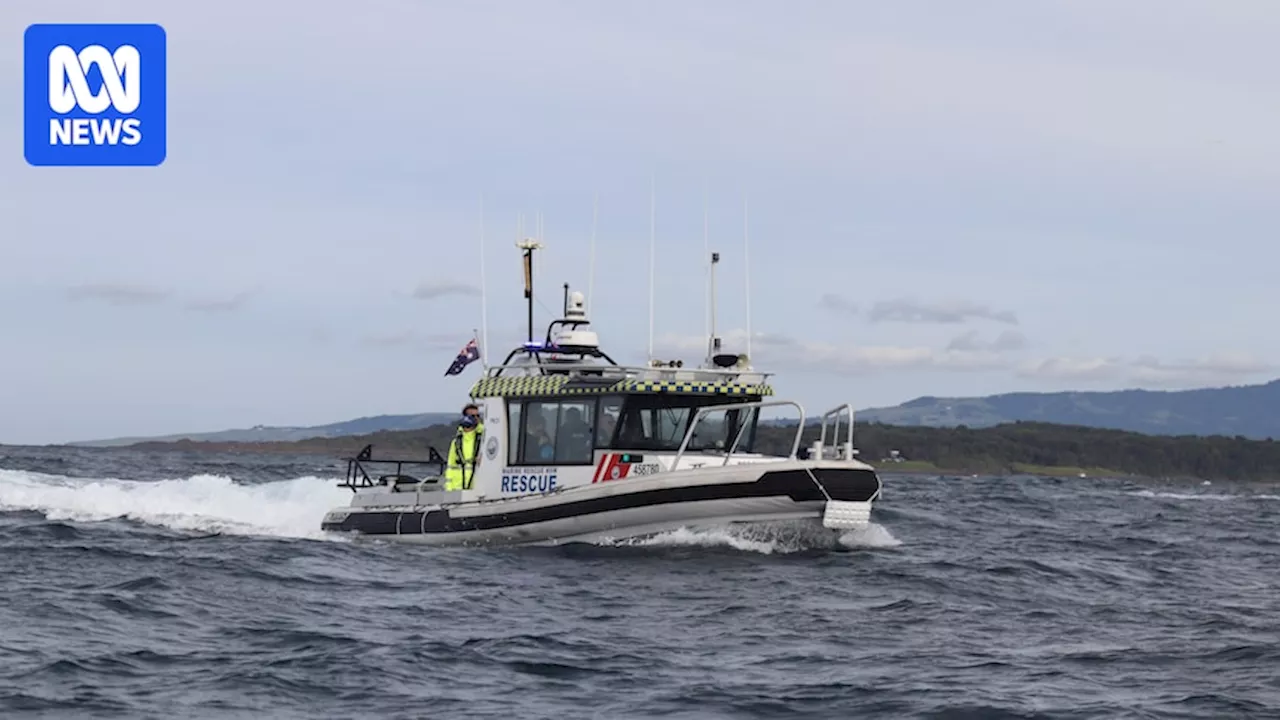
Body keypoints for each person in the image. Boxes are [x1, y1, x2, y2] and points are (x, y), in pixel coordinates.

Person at [444, 403, 484, 491]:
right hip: (457, 488)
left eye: (478, 415)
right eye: (473, 416)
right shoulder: (456, 442)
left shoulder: (483, 438)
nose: (476, 418)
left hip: (476, 488)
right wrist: (449, 488)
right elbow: (450, 466)